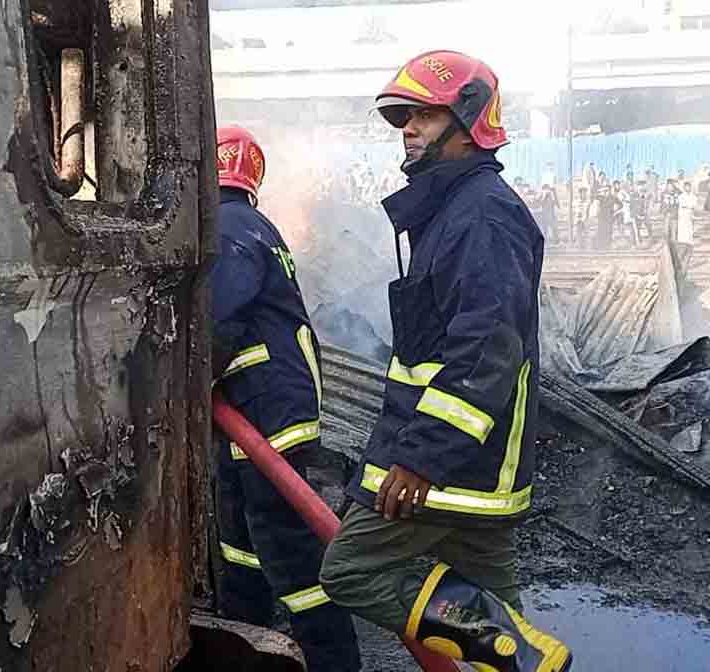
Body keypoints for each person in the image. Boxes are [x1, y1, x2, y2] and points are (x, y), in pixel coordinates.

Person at [318, 50, 572, 672]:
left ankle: (509, 645)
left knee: (350, 570)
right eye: (404, 117)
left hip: (451, 466)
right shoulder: (455, 210)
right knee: (502, 617)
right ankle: (517, 652)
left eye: (424, 116)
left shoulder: (481, 215)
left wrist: (422, 457)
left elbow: (485, 349)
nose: (407, 129)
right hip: (471, 465)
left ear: (468, 124)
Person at [211, 126, 361, 672]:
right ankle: (243, 633)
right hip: (258, 407)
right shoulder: (250, 224)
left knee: (290, 549)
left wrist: (176, 387)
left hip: (268, 411)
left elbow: (216, 321)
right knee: (241, 538)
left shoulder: (228, 227)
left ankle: (333, 661)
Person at [677, 180, 697, 245]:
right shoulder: (681, 196)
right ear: (684, 188)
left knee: (690, 227)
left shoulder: (693, 196)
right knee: (683, 226)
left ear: (690, 187)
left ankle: (689, 240)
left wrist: (690, 207)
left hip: (690, 212)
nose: (687, 188)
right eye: (686, 187)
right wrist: (689, 206)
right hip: (683, 213)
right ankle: (682, 240)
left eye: (689, 187)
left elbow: (694, 204)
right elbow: (682, 205)